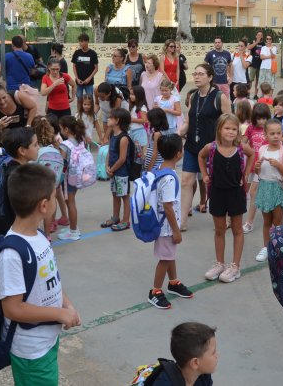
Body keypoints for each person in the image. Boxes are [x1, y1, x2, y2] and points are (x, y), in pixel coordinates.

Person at [0, 163, 81, 385]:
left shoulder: (40, 237)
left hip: (46, 339)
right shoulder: (12, 254)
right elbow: (12, 308)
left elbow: (50, 281)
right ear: (44, 205)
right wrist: (59, 315)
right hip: (30, 350)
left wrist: (67, 306)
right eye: (54, 197)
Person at [199, 114, 254, 284]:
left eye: (234, 129)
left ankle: (235, 266)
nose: (230, 132)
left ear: (238, 131)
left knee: (237, 229)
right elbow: (201, 157)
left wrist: (245, 175)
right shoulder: (211, 147)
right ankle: (219, 263)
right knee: (220, 229)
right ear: (219, 129)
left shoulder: (241, 147)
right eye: (227, 128)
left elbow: (252, 155)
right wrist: (205, 175)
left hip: (236, 193)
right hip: (217, 192)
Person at [144, 134, 194, 309]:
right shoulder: (170, 178)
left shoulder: (159, 168)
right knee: (164, 258)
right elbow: (167, 206)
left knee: (169, 254)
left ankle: (173, 282)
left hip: (162, 223)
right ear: (179, 154)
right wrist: (176, 230)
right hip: (166, 226)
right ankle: (155, 291)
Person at [179, 64, 230, 230]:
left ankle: (227, 217)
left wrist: (224, 145)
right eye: (195, 73)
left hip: (213, 147)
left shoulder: (219, 97)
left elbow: (229, 123)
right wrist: (181, 130)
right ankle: (182, 221)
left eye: (200, 74)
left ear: (210, 77)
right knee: (186, 181)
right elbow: (190, 120)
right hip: (192, 146)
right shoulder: (193, 96)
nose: (196, 77)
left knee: (217, 183)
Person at [254, 119, 283, 263]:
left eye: (279, 133)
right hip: (264, 187)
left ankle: (279, 247)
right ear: (265, 135)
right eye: (272, 133)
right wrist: (257, 167)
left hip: (278, 188)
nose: (276, 136)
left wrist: (278, 165)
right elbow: (258, 173)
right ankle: (266, 247)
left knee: (277, 221)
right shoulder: (262, 150)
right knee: (266, 221)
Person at [138, 322, 217, 386]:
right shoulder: (163, 383)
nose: (217, 355)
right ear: (195, 363)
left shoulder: (204, 376)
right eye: (213, 352)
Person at [242, 103, 271, 235]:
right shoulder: (251, 128)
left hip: (267, 166)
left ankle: (251, 222)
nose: (262, 121)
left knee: (256, 192)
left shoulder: (270, 129)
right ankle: (250, 221)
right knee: (251, 191)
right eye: (259, 118)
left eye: (264, 118)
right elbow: (242, 143)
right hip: (252, 166)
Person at [102, 108, 132, 232]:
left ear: (117, 120)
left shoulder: (123, 138)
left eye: (110, 117)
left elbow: (122, 158)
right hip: (113, 171)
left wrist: (112, 169)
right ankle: (115, 217)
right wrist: (106, 165)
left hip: (121, 172)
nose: (108, 119)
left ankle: (125, 221)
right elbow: (110, 151)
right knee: (115, 194)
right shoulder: (112, 135)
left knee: (124, 195)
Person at [57, 116, 86, 242]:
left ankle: (73, 231)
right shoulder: (80, 140)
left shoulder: (65, 145)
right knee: (71, 202)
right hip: (78, 175)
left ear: (66, 129)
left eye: (61, 129)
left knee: (70, 203)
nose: (60, 131)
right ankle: (73, 228)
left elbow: (61, 163)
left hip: (69, 178)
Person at [71, 33, 99, 100]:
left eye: (82, 41)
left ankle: (89, 111)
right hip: (78, 82)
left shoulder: (93, 53)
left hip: (89, 83)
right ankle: (79, 111)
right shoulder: (77, 53)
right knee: (79, 98)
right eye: (79, 41)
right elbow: (74, 66)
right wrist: (77, 78)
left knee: (89, 99)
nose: (80, 43)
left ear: (87, 41)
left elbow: (96, 68)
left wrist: (89, 78)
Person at [247, 31, 265, 97]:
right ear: (256, 36)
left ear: (262, 37)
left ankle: (255, 94)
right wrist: (256, 42)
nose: (259, 36)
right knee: (250, 80)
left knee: (258, 81)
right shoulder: (253, 42)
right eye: (258, 35)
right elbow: (248, 48)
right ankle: (248, 93)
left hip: (260, 65)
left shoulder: (263, 44)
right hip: (253, 64)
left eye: (261, 35)